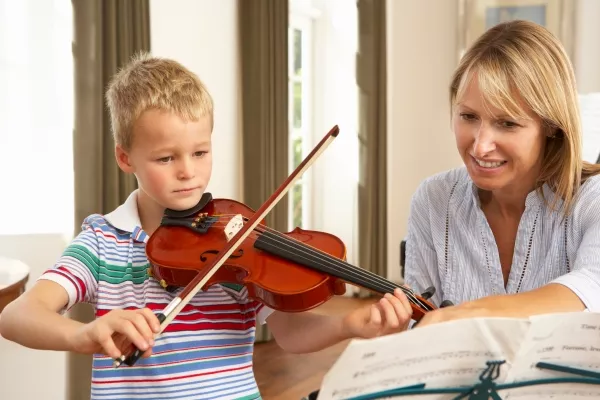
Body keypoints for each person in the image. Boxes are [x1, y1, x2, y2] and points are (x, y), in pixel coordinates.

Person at [0, 53, 413, 399]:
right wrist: (85, 334)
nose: (188, 172)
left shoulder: (237, 240)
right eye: (166, 158)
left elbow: (287, 331)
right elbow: (17, 315)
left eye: (200, 152)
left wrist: (348, 324)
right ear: (126, 158)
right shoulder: (103, 242)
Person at [404, 20, 600, 328]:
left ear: (550, 125)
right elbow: (419, 321)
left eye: (507, 123)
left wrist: (464, 314)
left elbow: (591, 288)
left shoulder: (592, 202)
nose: (480, 147)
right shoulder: (434, 199)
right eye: (468, 116)